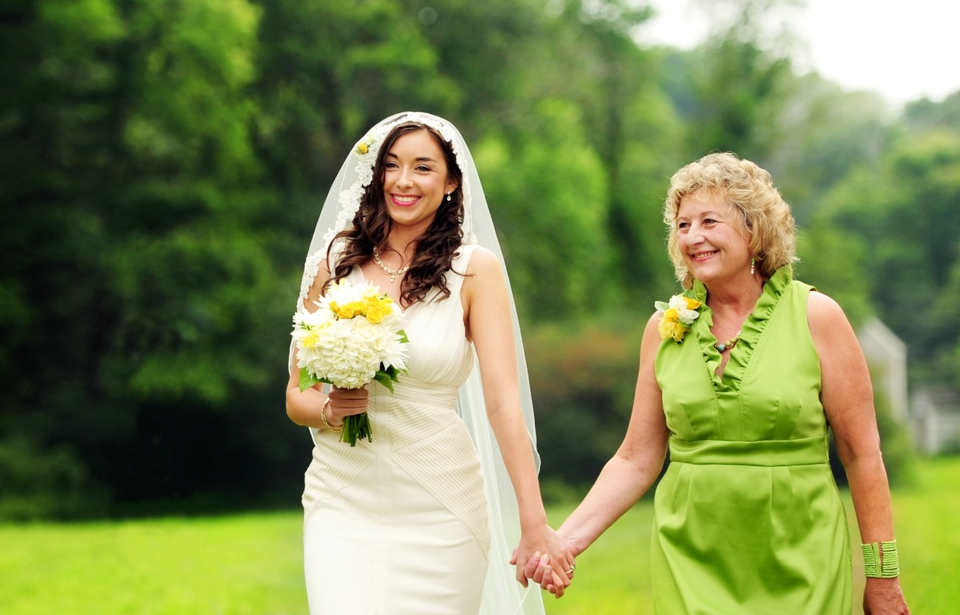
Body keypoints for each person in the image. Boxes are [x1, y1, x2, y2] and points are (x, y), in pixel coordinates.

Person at [523, 152, 911, 614]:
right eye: (683, 225)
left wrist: (882, 577)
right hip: (692, 560)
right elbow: (636, 457)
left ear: (755, 229)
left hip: (800, 555)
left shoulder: (817, 316)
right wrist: (564, 543)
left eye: (709, 221)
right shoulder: (665, 328)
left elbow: (862, 454)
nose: (693, 237)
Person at [285, 112, 573, 615]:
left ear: (451, 180)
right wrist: (330, 412)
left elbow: (503, 401)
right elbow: (295, 395)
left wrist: (533, 519)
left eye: (422, 167)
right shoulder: (336, 262)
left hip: (441, 502)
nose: (403, 181)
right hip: (342, 497)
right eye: (391, 165)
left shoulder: (475, 270)